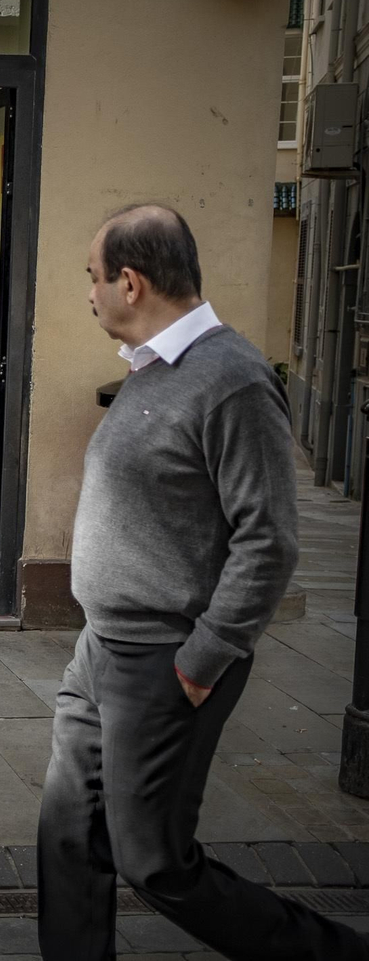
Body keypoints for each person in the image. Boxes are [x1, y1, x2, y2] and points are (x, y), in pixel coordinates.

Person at [38, 204, 368, 961]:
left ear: (130, 282)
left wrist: (202, 659)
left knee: (155, 861)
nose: (89, 293)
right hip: (102, 650)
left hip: (167, 658)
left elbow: (269, 540)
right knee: (69, 833)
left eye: (93, 277)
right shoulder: (153, 368)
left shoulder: (233, 380)